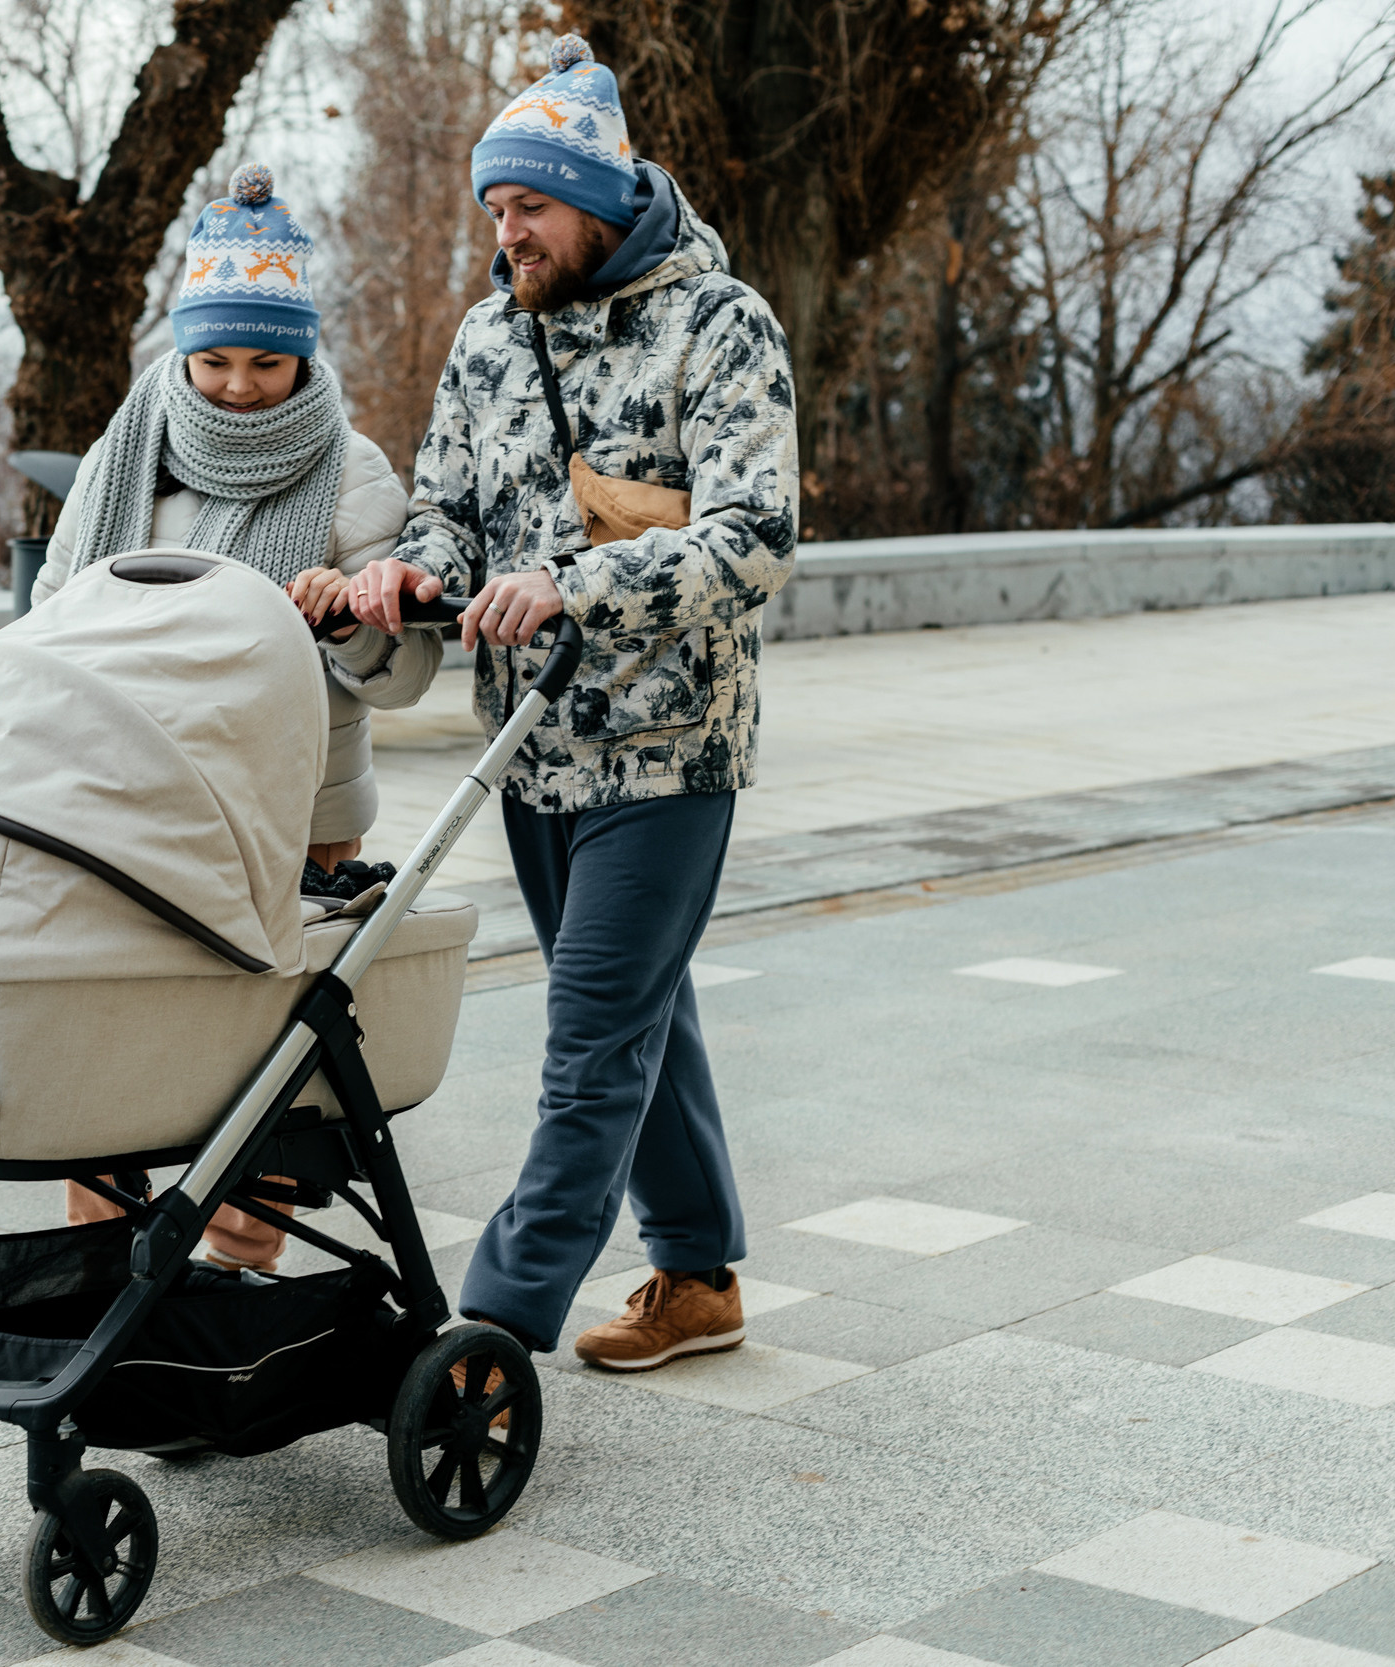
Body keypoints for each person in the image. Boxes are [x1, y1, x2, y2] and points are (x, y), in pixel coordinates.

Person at [347, 35, 799, 1371]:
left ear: (599, 198)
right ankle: (700, 1271)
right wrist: (413, 565)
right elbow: (448, 504)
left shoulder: (722, 324)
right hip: (528, 751)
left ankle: (495, 1322)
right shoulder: (490, 336)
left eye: (529, 206)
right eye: (495, 208)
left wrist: (575, 584)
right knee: (637, 1005)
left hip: (670, 751)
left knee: (589, 1039)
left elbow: (757, 534)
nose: (508, 232)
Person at [37, 162, 442, 1272]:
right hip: (121, 798)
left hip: (291, 811)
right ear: (180, 352)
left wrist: (335, 623)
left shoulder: (351, 474)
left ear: (305, 355)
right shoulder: (128, 454)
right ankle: (103, 1274)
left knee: (266, 1054)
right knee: (108, 1030)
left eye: (266, 362)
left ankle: (231, 1277)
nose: (236, 387)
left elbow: (403, 674)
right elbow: (51, 609)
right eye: (212, 360)